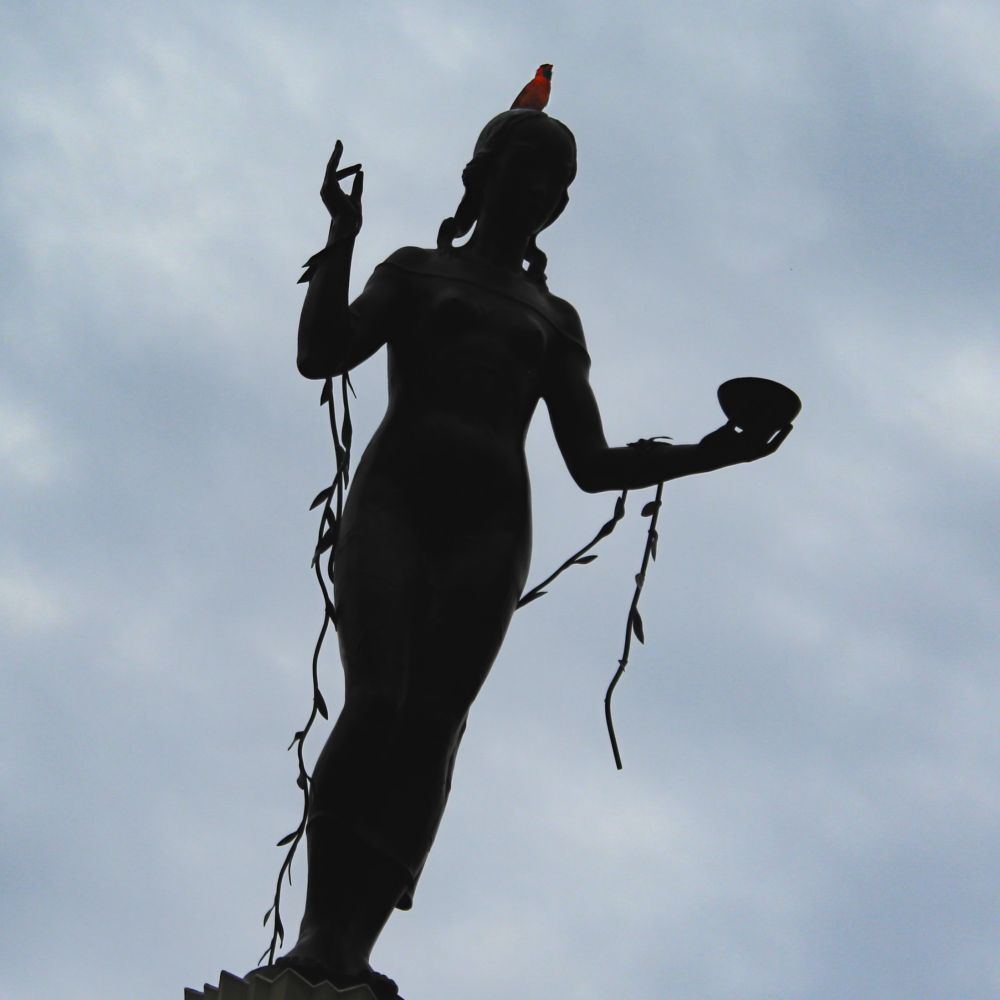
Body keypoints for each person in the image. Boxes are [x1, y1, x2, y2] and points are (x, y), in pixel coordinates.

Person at [267, 109, 790, 997]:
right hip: (394, 502)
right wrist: (342, 240)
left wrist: (713, 451)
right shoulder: (414, 270)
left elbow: (592, 464)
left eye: (559, 179)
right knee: (378, 701)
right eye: (527, 165)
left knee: (433, 726)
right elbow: (320, 353)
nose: (542, 188)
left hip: (493, 527)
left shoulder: (553, 317)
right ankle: (317, 932)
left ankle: (352, 948)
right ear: (481, 173)